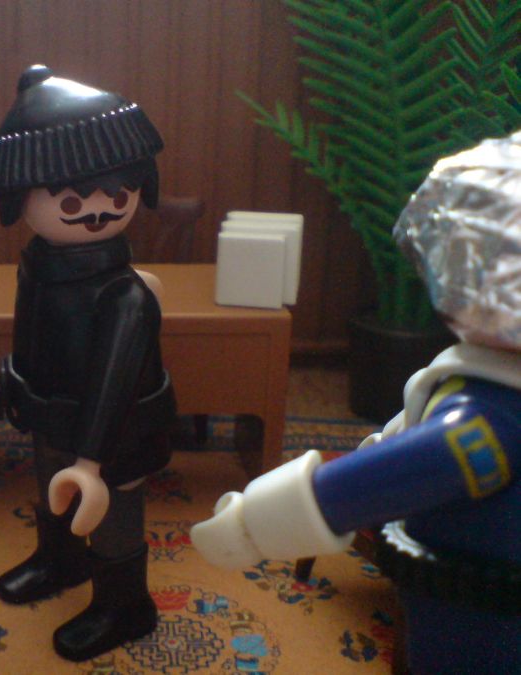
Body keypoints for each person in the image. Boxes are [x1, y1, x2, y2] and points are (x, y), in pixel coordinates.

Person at [191, 131, 521, 674]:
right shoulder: (488, 380)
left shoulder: (491, 419)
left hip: (478, 601)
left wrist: (254, 524)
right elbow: (409, 433)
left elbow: (398, 471)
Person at [0, 65, 177, 662]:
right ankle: (60, 559)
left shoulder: (125, 294)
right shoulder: (38, 266)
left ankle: (126, 604)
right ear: (22, 199)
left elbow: (116, 381)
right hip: (52, 409)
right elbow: (30, 331)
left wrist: (91, 461)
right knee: (51, 484)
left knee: (113, 505)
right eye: (71, 199)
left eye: (116, 195)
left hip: (117, 430)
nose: (96, 211)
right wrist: (14, 378)